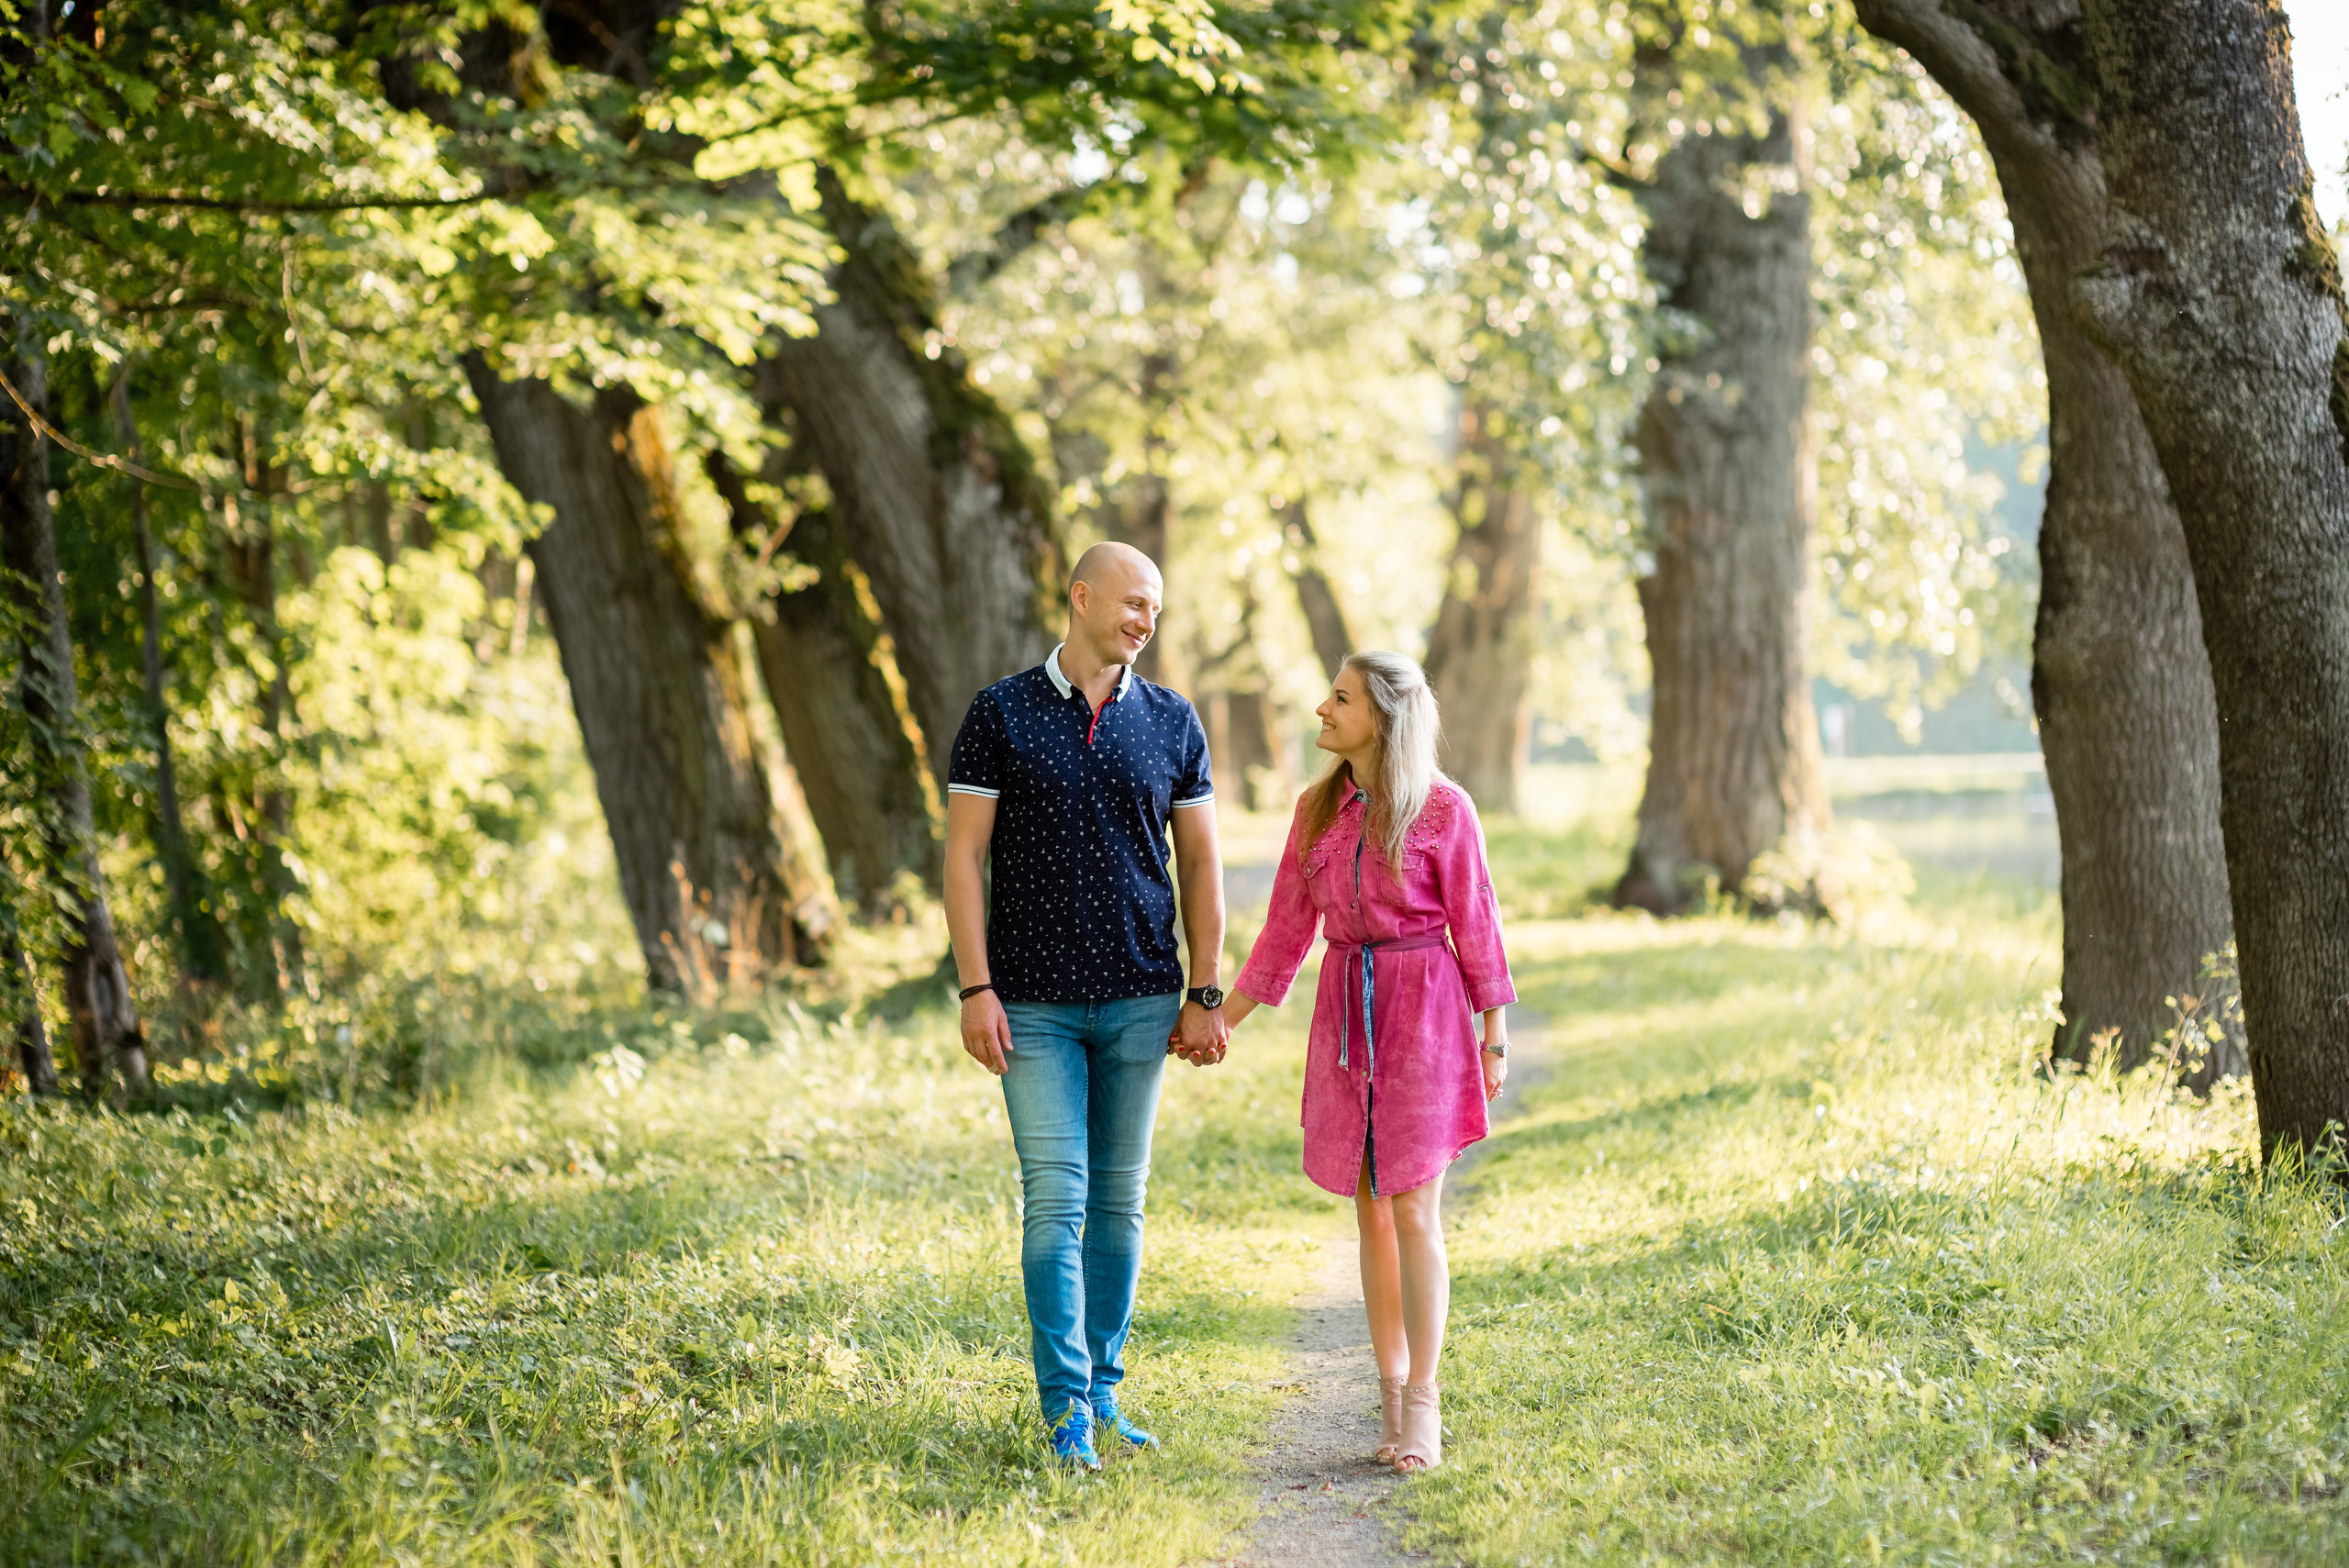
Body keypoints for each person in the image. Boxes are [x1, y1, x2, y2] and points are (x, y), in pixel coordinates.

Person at [942, 541, 1232, 1471]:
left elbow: (1201, 864)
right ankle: (1063, 1403)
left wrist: (1204, 989)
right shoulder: (1000, 713)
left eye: (1156, 608)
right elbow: (961, 860)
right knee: (1054, 1201)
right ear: (1080, 596)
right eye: (1133, 602)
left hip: (1144, 998)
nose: (1145, 620)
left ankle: (1104, 1391)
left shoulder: (1172, 720)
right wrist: (975, 985)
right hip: (1030, 1004)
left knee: (1118, 1203)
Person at [1213, 651, 1514, 1473]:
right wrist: (1215, 1021)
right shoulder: (1315, 811)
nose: (1321, 708)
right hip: (1346, 1013)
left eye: (1339, 699)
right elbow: (1283, 933)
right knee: (1369, 1209)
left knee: (1415, 1208)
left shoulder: (1446, 810)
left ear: (1380, 716)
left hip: (1426, 1016)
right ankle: (1387, 1398)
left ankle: (1424, 1404)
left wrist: (1493, 1037)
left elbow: (1478, 925)